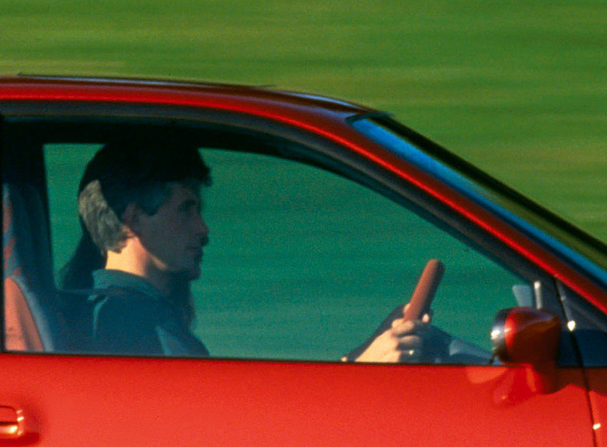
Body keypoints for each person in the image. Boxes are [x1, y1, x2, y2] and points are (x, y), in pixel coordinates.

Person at [64, 138, 429, 362]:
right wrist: (363, 373)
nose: (203, 229)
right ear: (135, 219)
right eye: (186, 209)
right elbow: (230, 431)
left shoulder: (120, 315)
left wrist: (365, 356)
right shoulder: (133, 326)